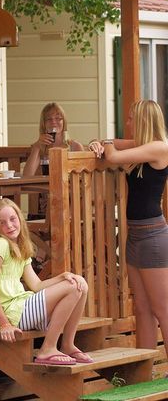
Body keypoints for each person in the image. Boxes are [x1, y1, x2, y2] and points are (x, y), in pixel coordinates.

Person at [88, 100, 168, 350]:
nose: (128, 122)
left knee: (162, 309)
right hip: (134, 236)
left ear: (144, 120)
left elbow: (112, 155)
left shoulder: (159, 147)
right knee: (142, 308)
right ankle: (146, 368)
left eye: (132, 118)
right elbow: (110, 144)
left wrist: (105, 144)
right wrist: (97, 142)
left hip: (153, 236)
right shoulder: (141, 146)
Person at [0, 198, 93, 365]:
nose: (9, 226)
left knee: (80, 283)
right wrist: (4, 324)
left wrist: (62, 276)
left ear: (20, 219)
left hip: (22, 307)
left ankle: (68, 345)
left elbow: (36, 285)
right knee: (73, 287)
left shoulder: (19, 247)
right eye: (2, 223)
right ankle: (47, 349)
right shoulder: (0, 245)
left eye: (12, 219)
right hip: (12, 313)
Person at [23, 102, 84, 177]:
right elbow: (27, 176)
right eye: (49, 119)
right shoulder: (38, 147)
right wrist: (37, 147)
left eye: (58, 118)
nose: (53, 122)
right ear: (44, 124)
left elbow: (83, 177)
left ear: (64, 122)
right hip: (44, 184)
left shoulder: (75, 146)